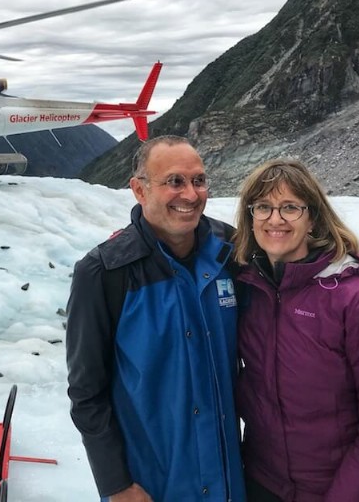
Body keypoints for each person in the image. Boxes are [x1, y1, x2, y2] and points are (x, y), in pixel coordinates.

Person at [66, 135, 246, 502]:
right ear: (139, 190)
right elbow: (87, 392)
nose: (191, 195)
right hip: (150, 485)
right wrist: (115, 483)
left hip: (229, 480)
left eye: (198, 180)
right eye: (174, 182)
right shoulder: (105, 272)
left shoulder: (232, 251)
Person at [232, 158, 359, 502]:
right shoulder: (250, 287)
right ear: (250, 217)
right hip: (261, 483)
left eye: (290, 208)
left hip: (335, 491)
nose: (275, 219)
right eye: (263, 208)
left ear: (313, 216)